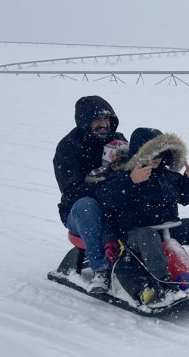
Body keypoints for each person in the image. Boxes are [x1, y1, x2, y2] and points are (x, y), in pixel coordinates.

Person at [98, 128, 189, 295]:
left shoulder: (168, 176)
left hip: (168, 229)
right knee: (149, 235)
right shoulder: (126, 174)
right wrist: (130, 180)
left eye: (160, 153)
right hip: (137, 235)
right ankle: (164, 283)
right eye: (152, 153)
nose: (157, 158)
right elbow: (107, 199)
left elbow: (185, 198)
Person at [53, 95, 141, 294]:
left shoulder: (117, 140)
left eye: (106, 119)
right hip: (78, 213)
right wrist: (107, 182)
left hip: (112, 203)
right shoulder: (69, 147)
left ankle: (146, 255)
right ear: (85, 121)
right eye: (97, 120)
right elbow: (71, 191)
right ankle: (100, 269)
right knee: (87, 206)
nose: (103, 124)